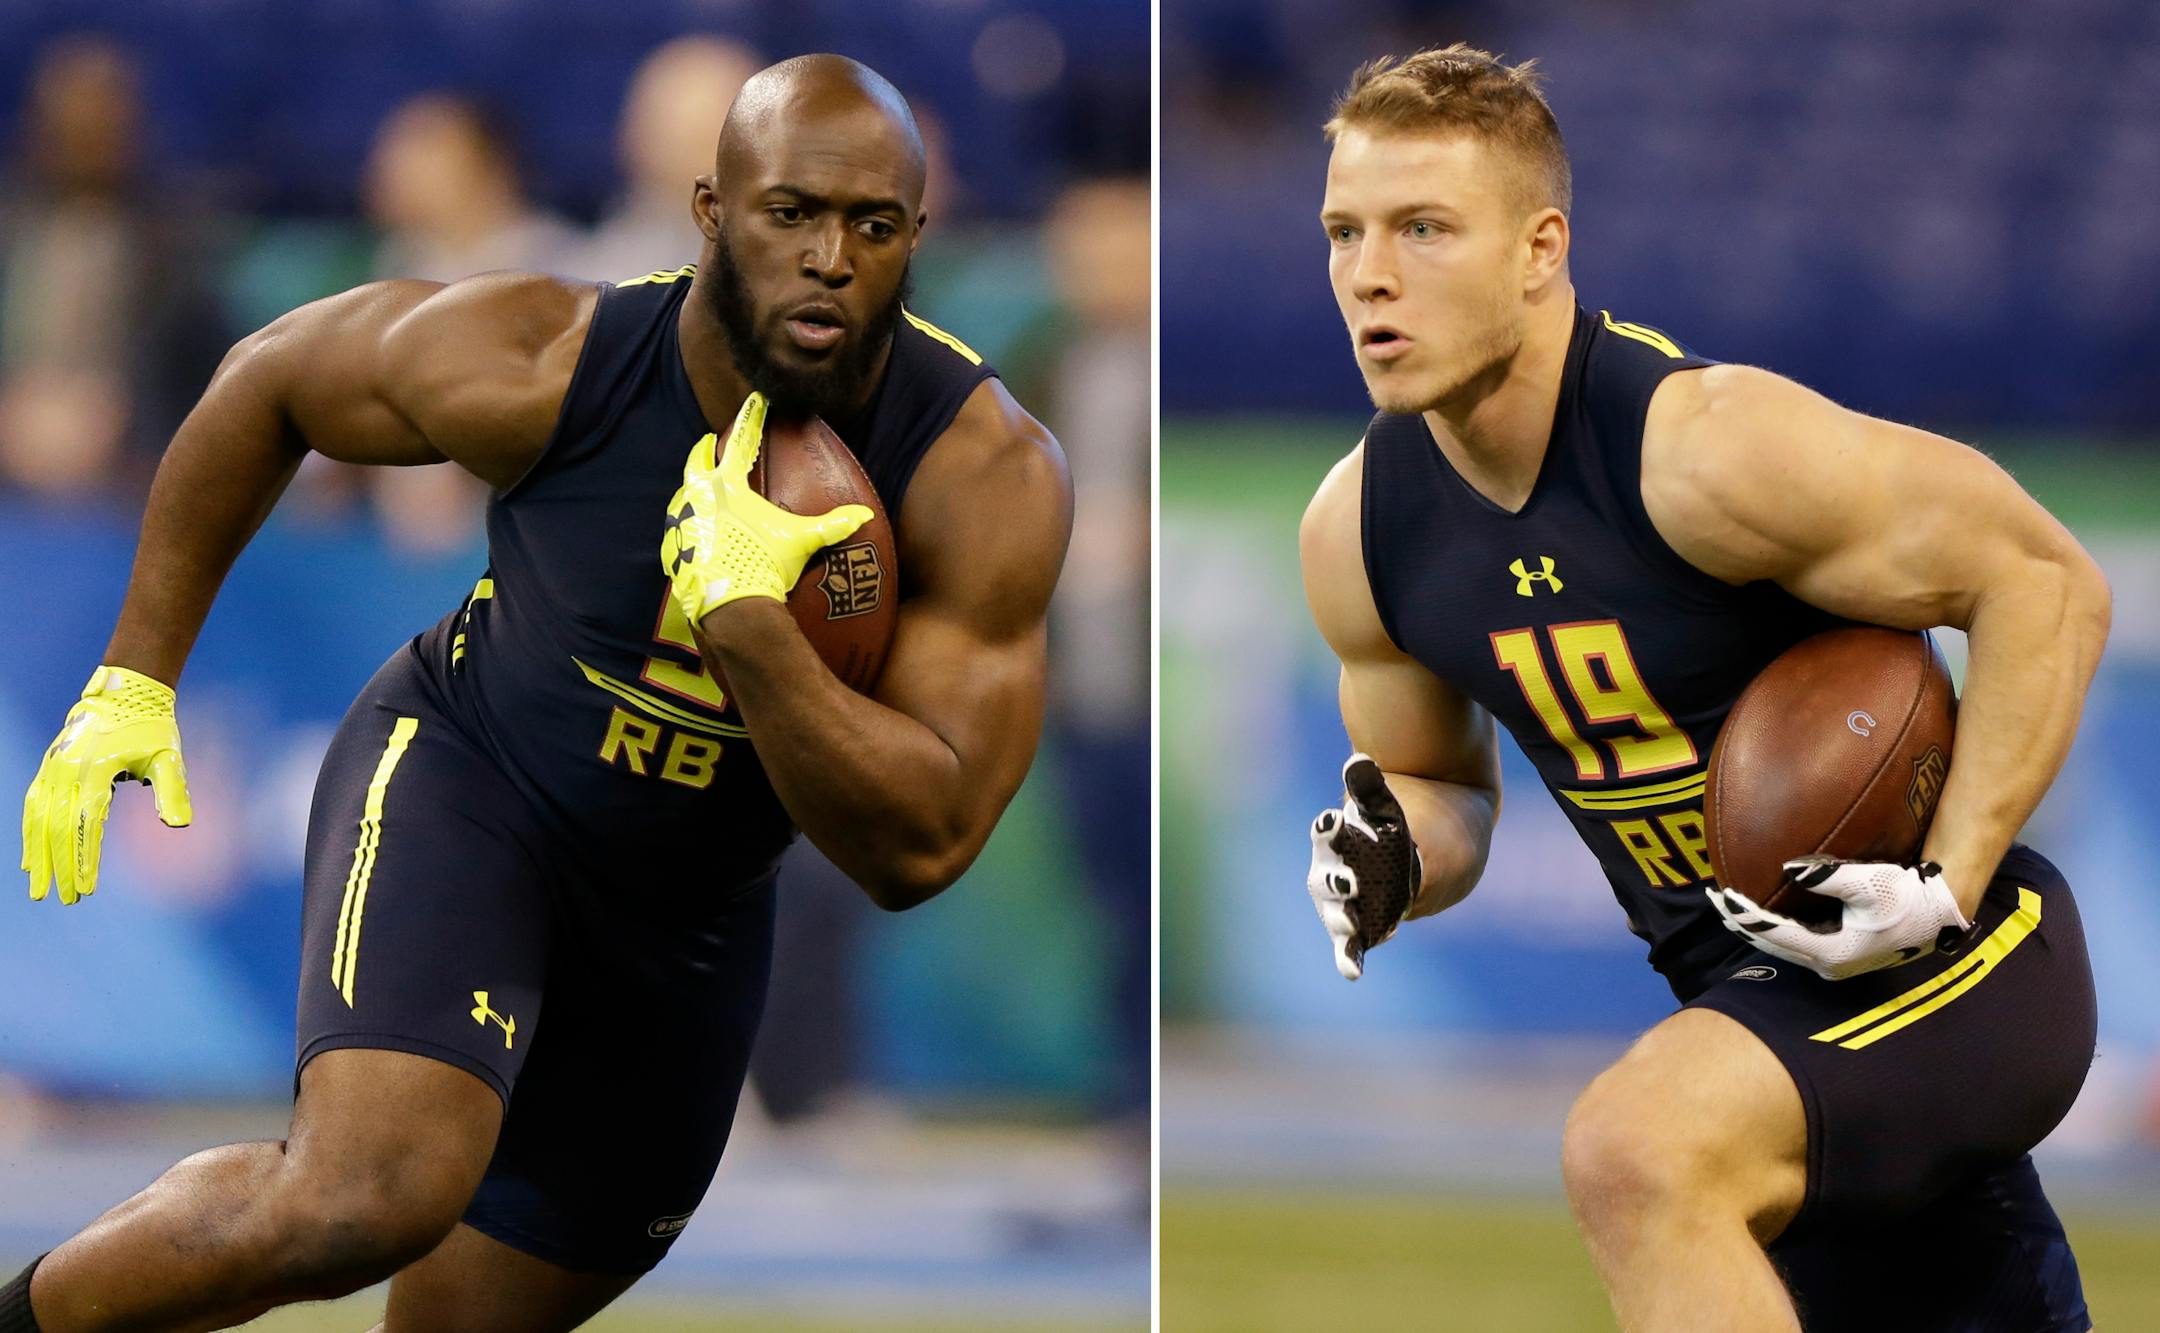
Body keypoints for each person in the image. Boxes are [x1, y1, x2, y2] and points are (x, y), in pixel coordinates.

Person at [7, 53, 1071, 1333]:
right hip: (478, 782)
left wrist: (750, 627)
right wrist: (134, 679)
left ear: (918, 236)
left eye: (873, 225)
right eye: (791, 213)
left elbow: (922, 846)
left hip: (689, 904)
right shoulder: (556, 358)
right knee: (361, 1197)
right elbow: (271, 380)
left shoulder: (982, 469)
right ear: (711, 212)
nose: (831, 259)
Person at [1298, 45, 2106, 1332]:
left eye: (1424, 228)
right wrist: (1391, 854)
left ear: (1541, 249)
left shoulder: (1703, 448)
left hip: (1959, 964)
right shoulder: (1360, 531)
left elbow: (2046, 581)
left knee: (1637, 1149)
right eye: (1345, 231)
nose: (1370, 274)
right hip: (1760, 1005)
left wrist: (1945, 882)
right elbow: (1443, 785)